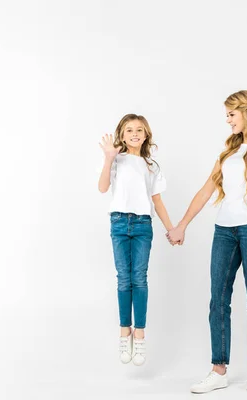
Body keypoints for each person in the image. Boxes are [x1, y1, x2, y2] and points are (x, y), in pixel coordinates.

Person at [166, 90, 247, 392]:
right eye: (227, 115)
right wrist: (182, 224)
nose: (227, 120)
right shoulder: (230, 151)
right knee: (217, 300)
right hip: (224, 230)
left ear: (246, 112)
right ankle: (218, 371)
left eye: (231, 114)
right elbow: (206, 190)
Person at [98, 113, 174, 366]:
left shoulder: (152, 166)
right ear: (122, 134)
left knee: (139, 278)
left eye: (139, 129)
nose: (134, 133)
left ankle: (139, 334)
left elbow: (158, 202)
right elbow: (102, 187)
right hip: (119, 223)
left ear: (146, 134)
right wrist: (108, 158)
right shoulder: (117, 159)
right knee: (124, 278)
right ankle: (124, 331)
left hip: (142, 225)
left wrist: (171, 228)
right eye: (129, 129)